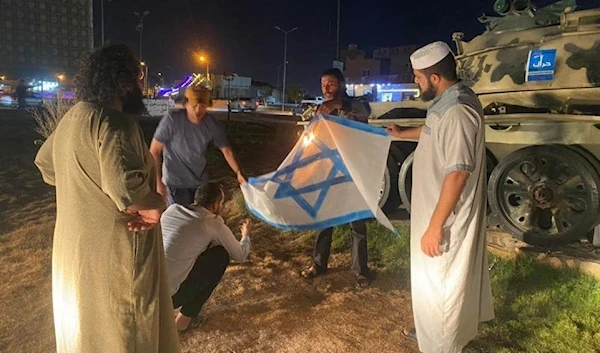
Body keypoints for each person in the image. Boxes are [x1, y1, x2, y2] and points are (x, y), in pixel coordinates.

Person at [34, 43, 180, 353]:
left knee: (85, 334)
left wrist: (84, 191)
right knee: (123, 334)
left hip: (74, 251)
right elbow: (128, 193)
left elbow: (47, 165)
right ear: (125, 82)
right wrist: (157, 206)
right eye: (138, 80)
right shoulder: (116, 123)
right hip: (115, 255)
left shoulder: (73, 118)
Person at [386, 41, 494, 352]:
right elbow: (433, 129)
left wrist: (435, 226)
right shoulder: (447, 101)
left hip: (446, 217)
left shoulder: (459, 110)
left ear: (435, 78)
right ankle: (431, 331)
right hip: (434, 210)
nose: (415, 82)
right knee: (432, 282)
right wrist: (403, 134)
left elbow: (458, 172)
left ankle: (443, 345)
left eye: (418, 77)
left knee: (443, 284)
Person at [300, 68, 373, 289]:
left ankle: (361, 271)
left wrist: (338, 105)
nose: (326, 88)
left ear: (341, 84)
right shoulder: (321, 110)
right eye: (323, 84)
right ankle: (318, 264)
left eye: (330, 83)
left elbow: (365, 112)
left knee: (356, 225)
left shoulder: (357, 103)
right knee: (324, 221)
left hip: (353, 172)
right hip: (329, 172)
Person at [161, 182, 253, 331]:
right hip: (167, 297)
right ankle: (182, 323)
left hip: (146, 288)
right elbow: (240, 255)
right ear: (216, 205)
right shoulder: (211, 222)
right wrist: (246, 235)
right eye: (222, 203)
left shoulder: (172, 209)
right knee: (220, 256)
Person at [150, 86, 246, 206]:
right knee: (181, 221)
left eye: (203, 107)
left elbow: (226, 150)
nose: (198, 111)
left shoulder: (211, 125)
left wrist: (238, 172)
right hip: (175, 184)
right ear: (185, 103)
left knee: (200, 219)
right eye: (194, 106)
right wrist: (159, 183)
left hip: (200, 183)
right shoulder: (172, 120)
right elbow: (154, 151)